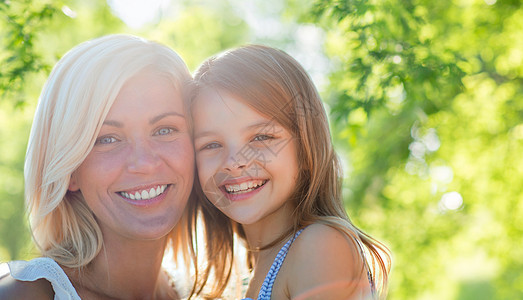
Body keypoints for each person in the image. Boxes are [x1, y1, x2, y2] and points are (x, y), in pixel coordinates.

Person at [0, 34, 197, 299]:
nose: (144, 163)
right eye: (107, 139)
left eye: (164, 130)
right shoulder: (25, 294)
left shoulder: (194, 290)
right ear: (70, 171)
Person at [191, 45, 391, 299]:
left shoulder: (319, 247)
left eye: (261, 137)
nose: (234, 162)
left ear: (306, 147)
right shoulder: (251, 272)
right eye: (211, 145)